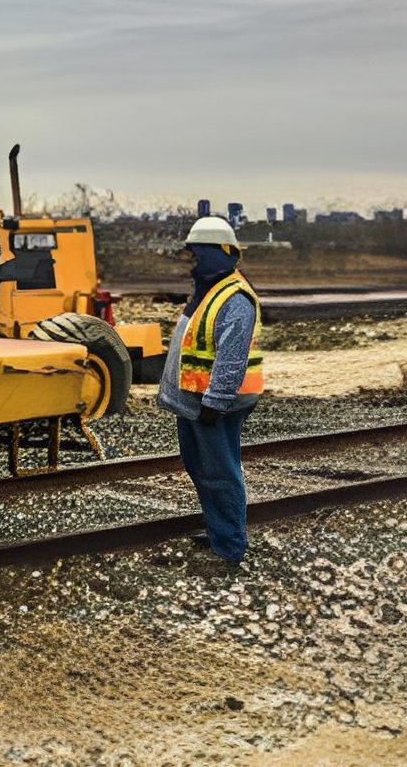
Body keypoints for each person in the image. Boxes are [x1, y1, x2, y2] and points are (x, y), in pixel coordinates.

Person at [156, 215, 264, 566]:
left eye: (199, 255)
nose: (194, 262)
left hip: (215, 405)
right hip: (195, 401)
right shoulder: (210, 289)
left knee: (219, 473)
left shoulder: (234, 298)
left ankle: (230, 546)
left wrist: (215, 402)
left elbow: (232, 358)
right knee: (201, 467)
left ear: (222, 254)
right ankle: (221, 532)